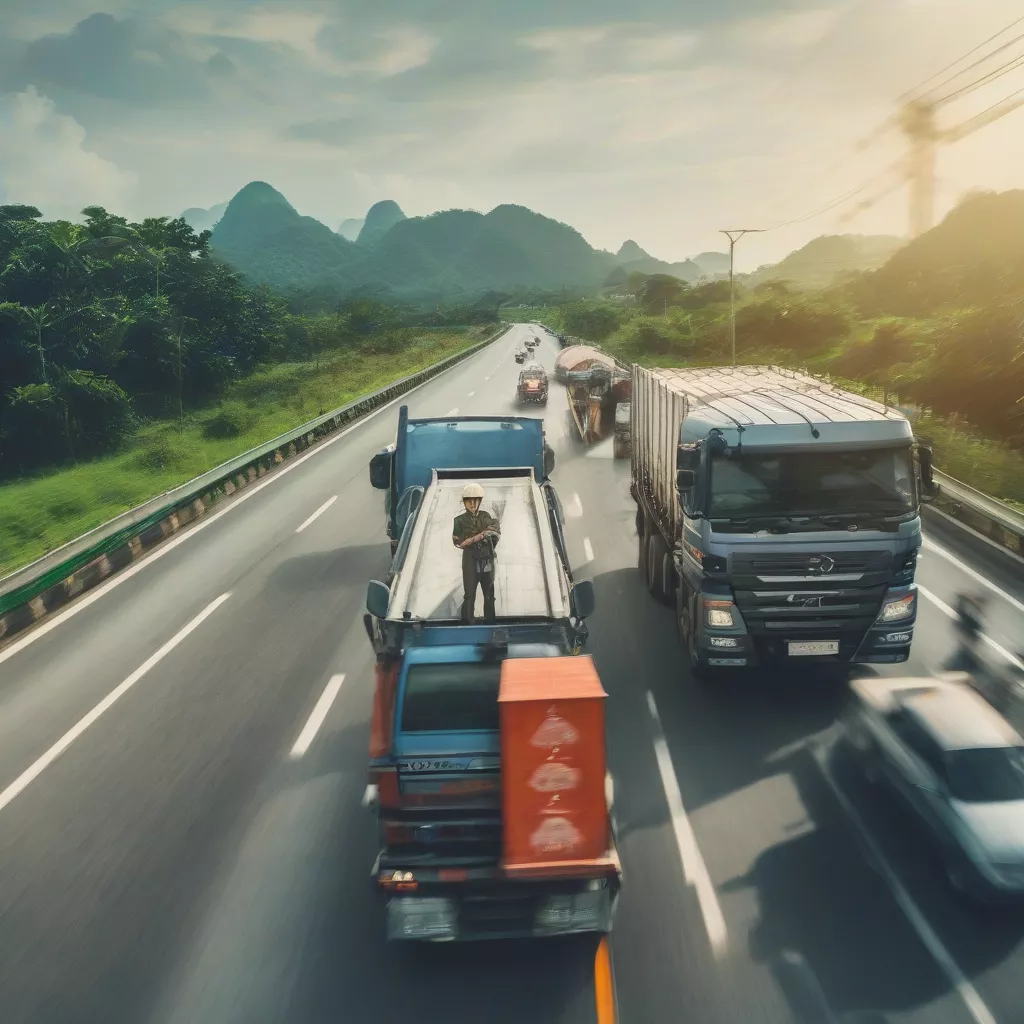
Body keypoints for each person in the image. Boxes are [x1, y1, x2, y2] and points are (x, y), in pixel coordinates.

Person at [452, 482, 501, 623]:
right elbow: (458, 542)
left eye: (476, 500)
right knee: (469, 594)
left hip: (487, 558)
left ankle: (490, 622)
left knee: (489, 593)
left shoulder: (485, 516)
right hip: (470, 560)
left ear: (480, 501)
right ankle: (467, 622)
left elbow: (494, 531)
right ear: (464, 502)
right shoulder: (459, 520)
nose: (472, 504)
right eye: (469, 500)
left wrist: (474, 539)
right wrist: (482, 535)